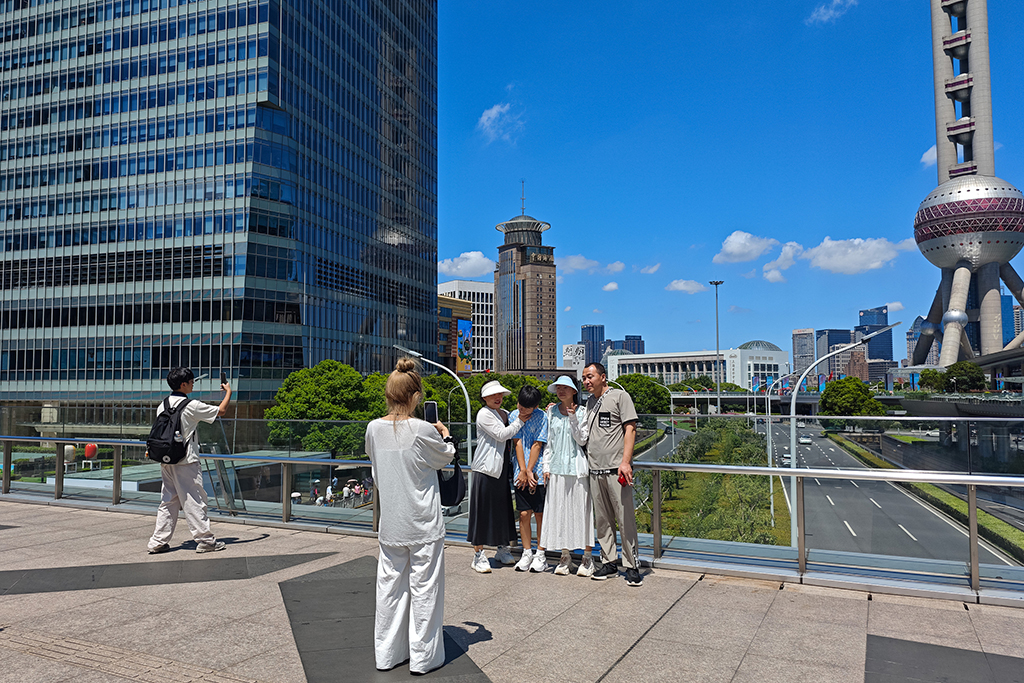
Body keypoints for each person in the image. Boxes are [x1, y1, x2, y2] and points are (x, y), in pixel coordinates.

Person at [365, 358, 456, 674]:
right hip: (423, 522)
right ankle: (423, 657)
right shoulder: (420, 430)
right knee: (425, 590)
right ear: (416, 396)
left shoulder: (373, 428)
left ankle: (387, 654)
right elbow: (445, 457)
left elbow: (376, 465)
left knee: (389, 591)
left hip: (391, 521)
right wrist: (444, 433)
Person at [147, 367, 232, 554]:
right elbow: (222, 411)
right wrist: (228, 392)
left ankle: (157, 542)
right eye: (191, 381)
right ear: (183, 384)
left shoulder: (163, 404)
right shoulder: (191, 405)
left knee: (168, 501)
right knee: (194, 500)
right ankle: (206, 541)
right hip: (186, 461)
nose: (193, 383)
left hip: (167, 459)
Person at [581, 362, 643, 586]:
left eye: (590, 376)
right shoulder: (589, 402)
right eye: (584, 378)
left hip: (617, 470)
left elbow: (630, 428)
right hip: (595, 469)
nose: (587, 381)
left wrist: (626, 462)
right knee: (603, 520)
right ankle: (608, 560)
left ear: (603, 377)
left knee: (625, 519)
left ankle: (632, 564)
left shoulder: (619, 397)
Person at [540, 376, 595, 577]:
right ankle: (565, 556)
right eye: (558, 388)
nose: (561, 391)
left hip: (577, 468)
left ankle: (587, 557)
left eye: (566, 387)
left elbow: (581, 440)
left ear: (574, 391)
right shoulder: (551, 412)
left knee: (582, 511)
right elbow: (549, 441)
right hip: (556, 468)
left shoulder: (583, 412)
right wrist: (546, 465)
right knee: (559, 512)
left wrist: (573, 418)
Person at [466, 380, 524, 573]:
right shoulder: (483, 414)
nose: (498, 398)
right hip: (485, 469)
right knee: (482, 513)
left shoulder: (505, 413)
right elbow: (502, 434)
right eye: (493, 395)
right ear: (484, 398)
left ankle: (502, 548)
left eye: (500, 395)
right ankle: (478, 554)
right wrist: (521, 420)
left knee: (502, 511)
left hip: (500, 470)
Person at [509, 385, 549, 573]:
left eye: (526, 407)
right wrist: (523, 470)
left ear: (536, 406)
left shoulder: (542, 417)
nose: (522, 409)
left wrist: (531, 470)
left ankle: (541, 553)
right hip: (520, 471)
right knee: (524, 513)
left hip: (538, 472)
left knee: (540, 514)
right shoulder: (513, 415)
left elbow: (537, 444)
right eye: (520, 405)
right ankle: (527, 552)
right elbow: (517, 442)